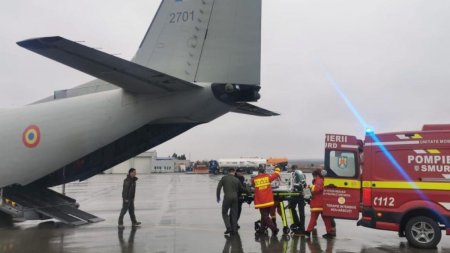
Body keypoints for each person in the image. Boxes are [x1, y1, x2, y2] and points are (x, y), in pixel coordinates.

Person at [305, 168, 333, 239]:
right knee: (326, 219)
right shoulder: (323, 179)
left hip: (317, 203)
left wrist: (309, 187)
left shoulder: (319, 180)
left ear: (316, 175)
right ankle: (329, 233)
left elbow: (317, 189)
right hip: (323, 203)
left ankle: (308, 232)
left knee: (313, 218)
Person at [252, 166, 281, 235]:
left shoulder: (254, 179)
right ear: (264, 171)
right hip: (268, 200)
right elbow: (276, 174)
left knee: (265, 216)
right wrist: (277, 169)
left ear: (258, 172)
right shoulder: (268, 177)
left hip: (261, 201)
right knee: (264, 216)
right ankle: (262, 230)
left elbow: (252, 185)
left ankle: (274, 229)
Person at [217, 168, 245, 235]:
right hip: (235, 198)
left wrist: (218, 197)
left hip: (227, 197)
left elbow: (218, 188)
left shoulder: (224, 178)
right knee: (234, 214)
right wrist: (249, 192)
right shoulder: (237, 179)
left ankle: (228, 227)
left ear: (228, 172)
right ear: (234, 172)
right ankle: (234, 230)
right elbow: (242, 189)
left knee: (224, 212)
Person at [289, 165, 307, 234]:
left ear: (292, 169)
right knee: (302, 212)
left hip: (294, 195)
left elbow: (290, 185)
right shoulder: (302, 174)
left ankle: (297, 223)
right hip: (301, 194)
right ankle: (302, 227)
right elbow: (305, 185)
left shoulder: (293, 174)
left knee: (292, 208)